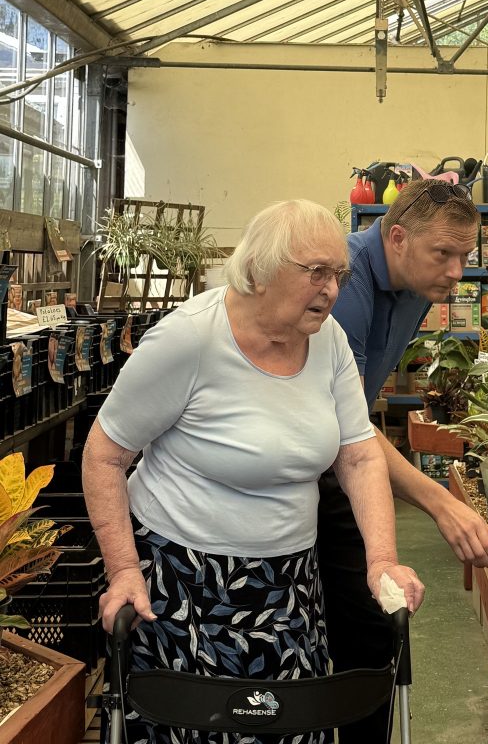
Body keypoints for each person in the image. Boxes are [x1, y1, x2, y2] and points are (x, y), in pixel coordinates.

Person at [82, 199, 425, 744]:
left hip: (289, 586)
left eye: (338, 275)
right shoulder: (188, 339)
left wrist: (382, 559)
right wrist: (123, 568)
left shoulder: (328, 341)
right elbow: (104, 455)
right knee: (190, 727)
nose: (332, 289)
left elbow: (358, 454)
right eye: (316, 272)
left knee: (290, 725)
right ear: (261, 270)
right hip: (180, 583)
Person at [321, 179, 488, 744]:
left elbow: (357, 415)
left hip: (337, 466)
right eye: (443, 254)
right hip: (293, 473)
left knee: (375, 631)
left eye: (464, 256)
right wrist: (440, 501)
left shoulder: (416, 287)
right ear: (397, 237)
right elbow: (340, 428)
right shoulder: (344, 282)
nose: (456, 271)